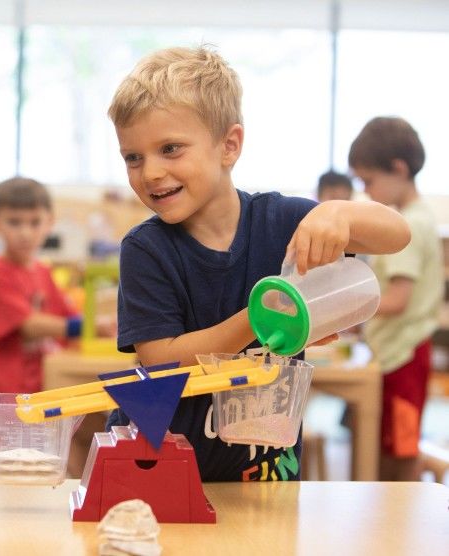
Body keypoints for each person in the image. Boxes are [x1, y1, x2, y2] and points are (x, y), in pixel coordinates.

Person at [106, 46, 411, 482]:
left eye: (170, 149)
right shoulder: (146, 249)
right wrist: (261, 316)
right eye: (133, 157)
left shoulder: (285, 221)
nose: (150, 172)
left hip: (265, 471)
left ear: (229, 145)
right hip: (162, 474)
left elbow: (397, 234)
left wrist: (339, 212)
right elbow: (161, 365)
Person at [0, 177, 109, 477]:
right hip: (7, 397)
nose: (25, 232)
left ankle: (83, 499)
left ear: (50, 223)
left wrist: (97, 326)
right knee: (20, 474)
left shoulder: (42, 272)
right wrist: (89, 327)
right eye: (14, 222)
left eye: (35, 222)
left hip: (46, 387)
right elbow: (30, 326)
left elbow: (71, 316)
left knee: (96, 428)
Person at [349, 117, 443, 481]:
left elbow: (398, 299)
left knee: (401, 449)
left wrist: (352, 310)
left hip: (404, 356)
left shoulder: (407, 226)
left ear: (398, 169)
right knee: (392, 445)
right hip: (397, 354)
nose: (367, 192)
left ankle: (400, 521)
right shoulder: (414, 218)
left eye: (369, 181)